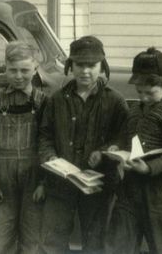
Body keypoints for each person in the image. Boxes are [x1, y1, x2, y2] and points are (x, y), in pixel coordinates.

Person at [38, 35, 129, 254]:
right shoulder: (57, 100)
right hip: (60, 184)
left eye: (92, 65)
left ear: (102, 66)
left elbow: (124, 138)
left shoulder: (115, 101)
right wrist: (50, 157)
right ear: (70, 66)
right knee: (52, 242)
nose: (85, 71)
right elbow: (44, 136)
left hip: (98, 186)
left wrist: (105, 152)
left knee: (96, 242)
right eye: (80, 64)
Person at [105, 47, 162, 254]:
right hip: (130, 187)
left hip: (159, 191)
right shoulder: (135, 109)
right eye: (139, 92)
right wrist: (117, 147)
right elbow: (126, 137)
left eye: (150, 93)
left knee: (161, 247)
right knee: (119, 244)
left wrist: (149, 168)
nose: (143, 98)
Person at [0, 41, 47, 254]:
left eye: (25, 70)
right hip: (3, 180)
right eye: (13, 70)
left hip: (34, 178)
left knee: (33, 238)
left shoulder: (43, 102)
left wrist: (45, 182)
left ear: (35, 68)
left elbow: (48, 144)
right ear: (5, 68)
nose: (18, 76)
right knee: (3, 237)